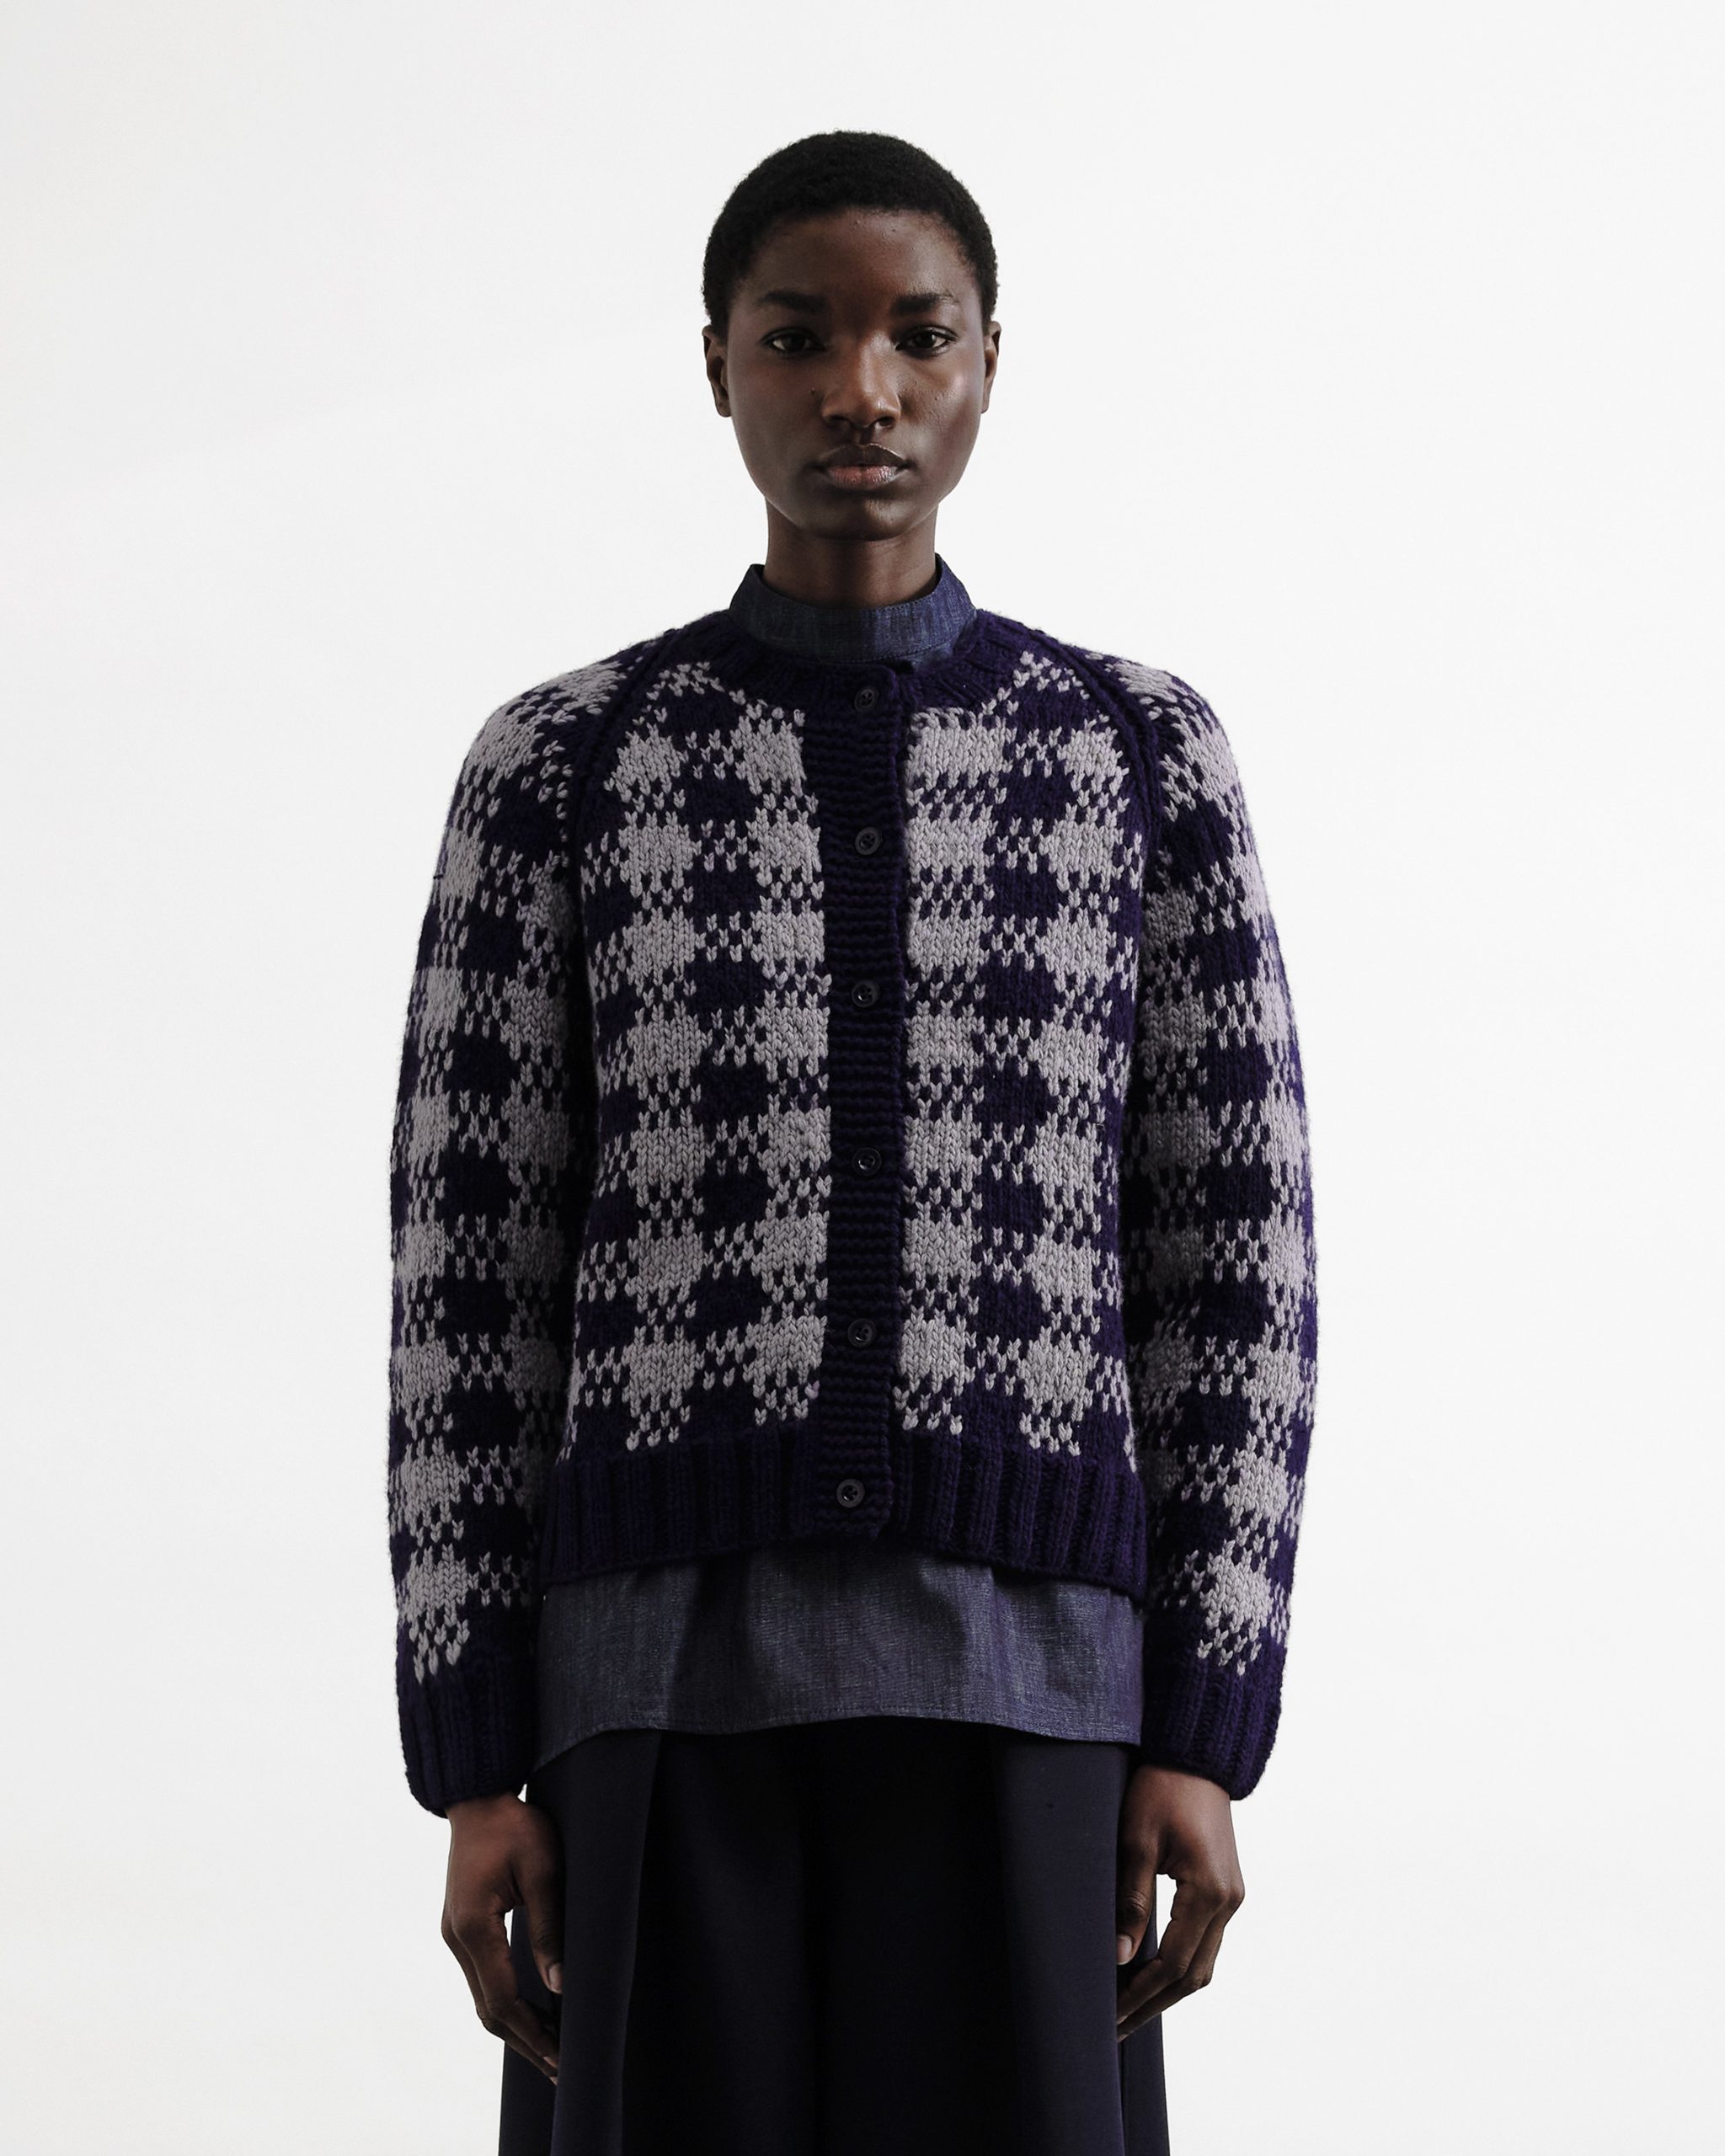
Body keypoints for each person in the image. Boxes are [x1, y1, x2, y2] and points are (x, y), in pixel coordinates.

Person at [386, 130, 1319, 2156]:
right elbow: (468, 1285)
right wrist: (472, 1754)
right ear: (717, 365)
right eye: (798, 336)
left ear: (988, 363)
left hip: (1034, 1684)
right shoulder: (567, 765)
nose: (862, 391)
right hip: (656, 1684)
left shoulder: (1136, 755)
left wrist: (1203, 1721)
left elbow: (1234, 1268)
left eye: (919, 336)